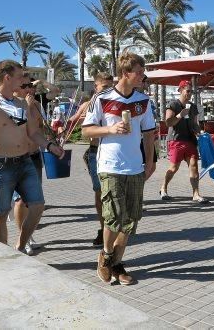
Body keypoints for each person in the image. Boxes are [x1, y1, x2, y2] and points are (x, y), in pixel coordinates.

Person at [82, 53, 155, 286]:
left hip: (135, 167)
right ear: (126, 73)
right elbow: (86, 131)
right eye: (140, 72)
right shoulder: (102, 98)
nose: (143, 76)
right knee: (113, 218)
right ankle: (105, 255)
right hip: (110, 165)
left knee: (131, 220)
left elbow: (149, 134)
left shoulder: (143, 101)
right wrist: (110, 130)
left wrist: (151, 162)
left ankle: (116, 262)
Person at [0, 60, 64, 253]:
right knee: (0, 213)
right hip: (1, 166)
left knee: (38, 205)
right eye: (20, 77)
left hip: (25, 162)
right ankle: (3, 255)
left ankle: (21, 246)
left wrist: (50, 146)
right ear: (7, 78)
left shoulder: (22, 104)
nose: (24, 81)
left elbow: (33, 133)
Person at [66, 72, 114, 246]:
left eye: (111, 86)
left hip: (113, 152)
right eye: (105, 86)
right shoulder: (88, 104)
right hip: (95, 152)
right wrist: (61, 126)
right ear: (96, 87)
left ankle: (112, 228)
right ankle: (103, 228)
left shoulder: (115, 103)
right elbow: (72, 120)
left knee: (112, 194)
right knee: (100, 192)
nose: (109, 90)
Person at [8, 73, 47, 255]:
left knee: (34, 201)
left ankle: (28, 236)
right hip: (19, 158)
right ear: (17, 87)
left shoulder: (37, 105)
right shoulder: (12, 107)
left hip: (35, 156)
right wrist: (29, 107)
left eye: (31, 85)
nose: (30, 89)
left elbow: (40, 130)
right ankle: (21, 238)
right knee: (21, 201)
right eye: (25, 86)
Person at [160, 80, 208, 204]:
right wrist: (180, 115)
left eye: (191, 91)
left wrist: (201, 133)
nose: (190, 93)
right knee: (174, 167)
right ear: (180, 90)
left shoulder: (193, 107)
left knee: (194, 166)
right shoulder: (173, 105)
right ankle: (163, 187)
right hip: (176, 140)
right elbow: (168, 122)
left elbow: (194, 124)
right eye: (187, 91)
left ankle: (196, 194)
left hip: (190, 140)